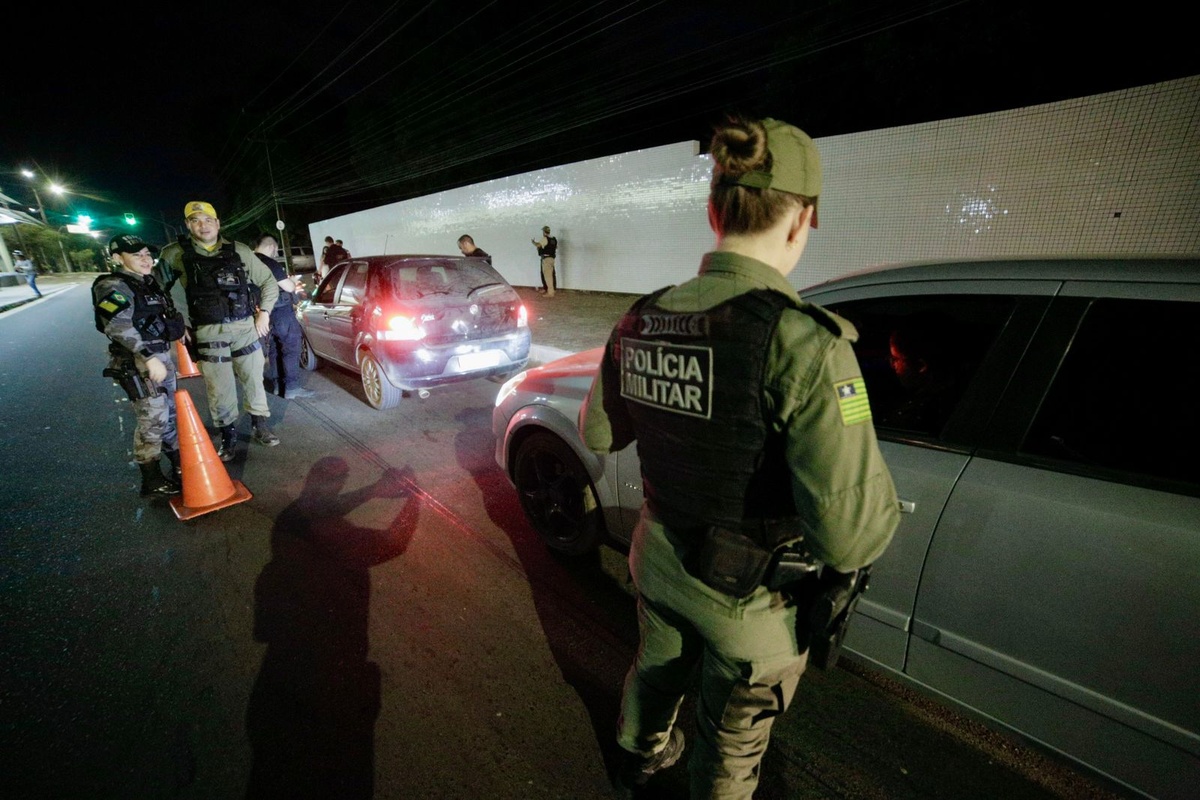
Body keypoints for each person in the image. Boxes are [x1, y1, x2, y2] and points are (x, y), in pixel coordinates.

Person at [580, 116, 900, 799]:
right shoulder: (809, 343)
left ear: (712, 210)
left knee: (658, 667)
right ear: (805, 219)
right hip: (751, 598)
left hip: (660, 553)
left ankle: (636, 755)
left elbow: (600, 436)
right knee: (731, 739)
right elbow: (850, 536)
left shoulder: (641, 316)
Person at [160, 201, 280, 461]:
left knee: (254, 379)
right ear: (188, 225)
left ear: (217, 223)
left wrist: (265, 313)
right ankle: (229, 436)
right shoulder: (174, 254)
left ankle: (261, 426)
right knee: (219, 388)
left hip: (244, 327)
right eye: (195, 221)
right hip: (207, 330)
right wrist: (178, 325)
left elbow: (268, 281)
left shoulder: (239, 250)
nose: (202, 225)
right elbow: (159, 292)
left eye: (207, 220)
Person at [93, 234, 187, 496]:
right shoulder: (114, 285)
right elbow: (118, 325)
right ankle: (152, 478)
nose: (145, 259)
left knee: (168, 413)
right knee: (152, 418)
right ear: (117, 258)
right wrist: (147, 355)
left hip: (159, 356)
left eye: (147, 254)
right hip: (140, 361)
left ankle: (179, 463)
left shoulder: (146, 283)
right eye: (137, 255)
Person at [254, 233, 315, 400]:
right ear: (272, 247)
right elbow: (288, 287)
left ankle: (277, 385)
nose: (276, 253)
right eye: (276, 250)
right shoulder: (269, 262)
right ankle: (292, 387)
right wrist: (293, 281)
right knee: (290, 349)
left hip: (264, 314)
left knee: (274, 349)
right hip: (281, 312)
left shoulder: (249, 262)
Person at [531, 225, 557, 296]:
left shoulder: (545, 238)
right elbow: (556, 247)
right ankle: (552, 289)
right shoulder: (554, 239)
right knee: (552, 275)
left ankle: (550, 292)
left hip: (546, 259)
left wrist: (533, 242)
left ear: (544, 232)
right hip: (552, 258)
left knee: (547, 276)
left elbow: (538, 245)